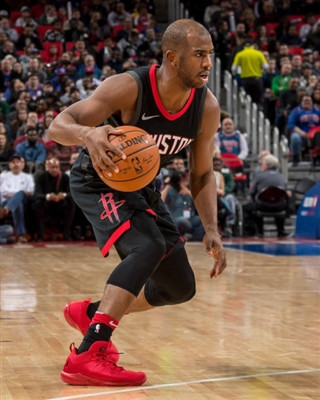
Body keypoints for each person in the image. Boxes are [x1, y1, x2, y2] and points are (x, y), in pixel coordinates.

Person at [48, 19, 227, 387]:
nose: (207, 63)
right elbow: (58, 125)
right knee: (147, 246)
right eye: (199, 55)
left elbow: (202, 175)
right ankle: (87, 354)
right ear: (172, 58)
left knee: (178, 287)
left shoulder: (206, 107)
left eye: (210, 54)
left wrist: (211, 228)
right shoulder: (130, 87)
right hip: (96, 180)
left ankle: (92, 314)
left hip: (140, 188)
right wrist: (88, 134)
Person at [242, 154, 291, 237]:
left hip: (263, 205)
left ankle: (253, 232)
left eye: (263, 164)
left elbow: (252, 193)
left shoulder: (259, 176)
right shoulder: (282, 177)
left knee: (247, 206)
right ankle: (281, 230)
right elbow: (286, 193)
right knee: (280, 201)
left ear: (266, 166)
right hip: (279, 206)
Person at [33, 157, 74, 241]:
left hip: (61, 203)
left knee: (72, 203)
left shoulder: (65, 177)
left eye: (56, 167)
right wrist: (48, 196)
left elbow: (72, 194)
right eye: (52, 167)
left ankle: (67, 234)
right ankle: (41, 235)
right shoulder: (41, 177)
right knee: (37, 204)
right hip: (46, 204)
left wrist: (64, 195)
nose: (55, 170)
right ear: (47, 167)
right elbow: (36, 194)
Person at [0, 153, 34, 242]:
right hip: (6, 202)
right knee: (18, 203)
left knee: (21, 193)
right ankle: (20, 235)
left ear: (22, 164)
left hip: (25, 201)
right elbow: (3, 191)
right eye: (13, 162)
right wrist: (17, 196)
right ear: (9, 165)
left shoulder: (28, 177)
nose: (15, 164)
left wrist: (16, 195)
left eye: (17, 162)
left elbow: (30, 191)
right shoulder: (3, 176)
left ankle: (7, 209)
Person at [231, 38, 269, 106]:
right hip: (257, 80)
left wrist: (235, 75)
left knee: (247, 100)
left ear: (244, 46)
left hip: (245, 80)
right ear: (252, 45)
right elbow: (266, 67)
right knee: (258, 100)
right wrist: (263, 72)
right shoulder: (259, 53)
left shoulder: (240, 54)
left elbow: (234, 69)